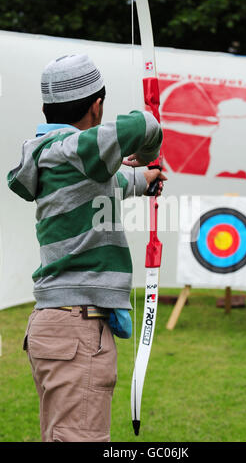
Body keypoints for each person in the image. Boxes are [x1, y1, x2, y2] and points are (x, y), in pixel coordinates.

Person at [7, 54, 165, 442]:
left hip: (56, 326)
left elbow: (98, 189)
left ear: (47, 108)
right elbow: (146, 124)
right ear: (96, 104)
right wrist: (146, 153)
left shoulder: (51, 155)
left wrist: (142, 178)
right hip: (76, 327)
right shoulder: (73, 148)